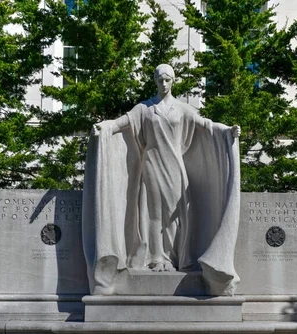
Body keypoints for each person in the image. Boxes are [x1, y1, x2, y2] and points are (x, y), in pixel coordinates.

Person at [82, 64, 241, 296]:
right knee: (153, 214)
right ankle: (157, 257)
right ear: (155, 82)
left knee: (178, 216)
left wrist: (227, 131)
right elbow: (119, 123)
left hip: (176, 168)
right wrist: (103, 127)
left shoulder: (183, 109)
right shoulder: (145, 109)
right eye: (159, 80)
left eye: (167, 79)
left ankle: (177, 256)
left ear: (173, 80)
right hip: (152, 165)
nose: (163, 84)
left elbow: (206, 125)